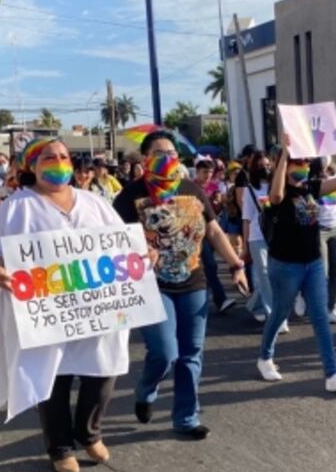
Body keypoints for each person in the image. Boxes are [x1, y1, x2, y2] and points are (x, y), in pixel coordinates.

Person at [0, 137, 129, 472]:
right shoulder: (16, 207)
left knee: (105, 368)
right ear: (32, 165)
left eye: (63, 156)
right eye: (49, 157)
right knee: (53, 376)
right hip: (45, 310)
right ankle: (60, 446)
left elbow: (122, 244)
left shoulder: (95, 203)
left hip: (96, 306)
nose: (58, 161)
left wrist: (141, 257)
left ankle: (88, 432)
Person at [113, 130, 248, 440]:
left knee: (191, 353)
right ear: (145, 158)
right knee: (164, 353)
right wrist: (136, 254)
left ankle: (186, 418)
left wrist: (236, 265)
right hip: (151, 286)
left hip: (193, 283)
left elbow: (214, 232)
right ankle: (146, 390)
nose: (168, 159)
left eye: (172, 153)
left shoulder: (192, 190)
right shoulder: (128, 197)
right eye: (160, 154)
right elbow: (113, 244)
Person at [256, 131, 336, 392]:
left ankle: (332, 374)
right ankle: (265, 357)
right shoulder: (279, 194)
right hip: (285, 264)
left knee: (320, 317)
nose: (303, 167)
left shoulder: (312, 187)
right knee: (280, 312)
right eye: (297, 163)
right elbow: (276, 195)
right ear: (287, 165)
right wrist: (283, 155)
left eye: (305, 163)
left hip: (313, 262)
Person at [241, 150, 283, 327]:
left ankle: (254, 305)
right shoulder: (249, 189)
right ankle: (275, 317)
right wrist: (244, 246)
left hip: (277, 236)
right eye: (260, 166)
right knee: (265, 274)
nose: (265, 168)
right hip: (257, 237)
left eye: (268, 165)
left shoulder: (277, 186)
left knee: (276, 276)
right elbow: (247, 219)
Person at [314, 157, 336, 325]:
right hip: (319, 229)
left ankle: (331, 309)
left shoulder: (335, 179)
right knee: (323, 271)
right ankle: (313, 303)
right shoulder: (310, 181)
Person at [196, 158, 234, 313]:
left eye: (210, 173)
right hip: (198, 232)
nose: (207, 176)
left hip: (213, 229)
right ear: (197, 171)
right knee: (210, 265)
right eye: (205, 172)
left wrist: (218, 202)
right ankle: (221, 299)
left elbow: (218, 208)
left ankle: (203, 299)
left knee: (206, 266)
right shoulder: (192, 187)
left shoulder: (214, 187)